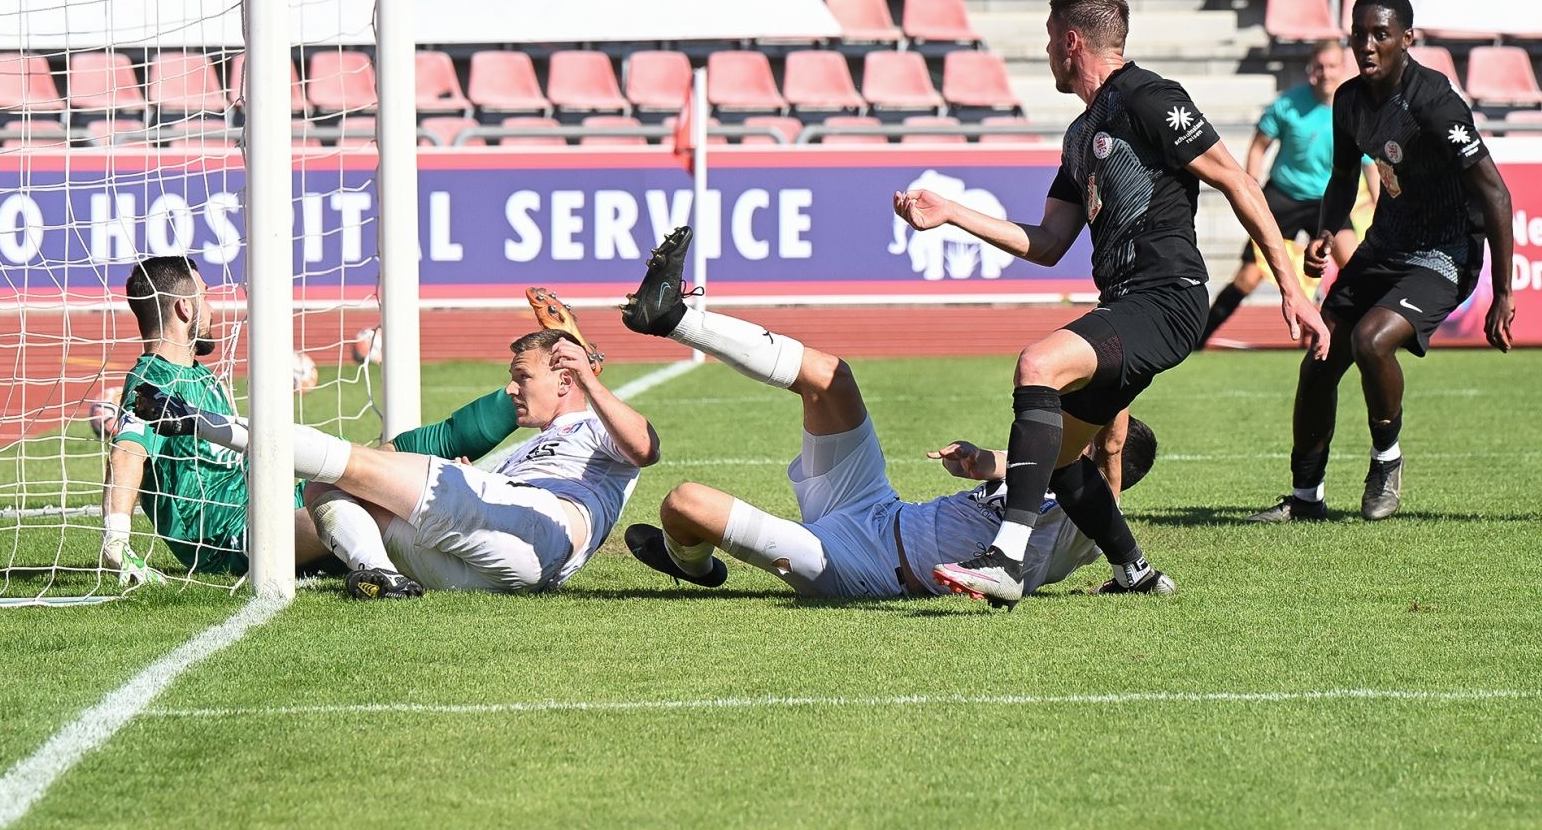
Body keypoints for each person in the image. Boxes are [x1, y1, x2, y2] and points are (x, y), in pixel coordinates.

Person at [889, 0, 1328, 604]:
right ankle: (1135, 573)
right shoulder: (1080, 136)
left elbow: (1237, 180)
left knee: (1037, 364)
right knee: (1062, 460)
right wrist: (952, 213)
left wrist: (1291, 289)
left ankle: (1006, 561)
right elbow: (1047, 242)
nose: (1046, 52)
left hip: (1168, 298)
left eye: (1050, 40)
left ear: (1072, 42)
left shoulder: (1150, 97)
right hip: (1126, 304)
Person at [616, 229, 1156, 609]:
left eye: (1084, 436)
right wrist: (979, 460)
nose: (1068, 431)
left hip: (865, 567)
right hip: (876, 506)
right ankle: (673, 316)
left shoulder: (1090, 524)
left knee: (684, 503)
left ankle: (691, 565)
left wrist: (1121, 329)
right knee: (831, 377)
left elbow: (1109, 450)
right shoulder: (1045, 476)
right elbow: (1016, 462)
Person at [103, 256, 606, 593]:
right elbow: (128, 451)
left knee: (387, 459)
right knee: (372, 490)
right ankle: (380, 574)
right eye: (207, 297)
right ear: (185, 307)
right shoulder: (152, 381)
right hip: (227, 533)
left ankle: (543, 379)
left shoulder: (196, 374)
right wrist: (116, 540)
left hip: (264, 498)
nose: (214, 307)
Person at [1251, 0, 1516, 524]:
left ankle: (1386, 461)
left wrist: (1505, 292)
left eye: (1381, 34)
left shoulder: (1435, 104)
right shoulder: (1349, 100)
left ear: (1407, 39)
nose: (1367, 45)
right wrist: (1327, 233)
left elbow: (1496, 194)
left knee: (1371, 342)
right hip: (1385, 244)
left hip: (1444, 252)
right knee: (1321, 356)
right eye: (1359, 34)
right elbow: (1342, 176)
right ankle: (1306, 498)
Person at [138, 324, 659, 595]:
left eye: (522, 377)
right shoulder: (525, 450)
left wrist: (591, 380)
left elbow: (646, 448)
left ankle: (201, 423)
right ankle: (380, 576)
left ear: (566, 380)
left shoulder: (596, 426)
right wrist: (475, 477)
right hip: (501, 572)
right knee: (327, 491)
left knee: (351, 464)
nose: (511, 388)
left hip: (546, 531)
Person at [1202, 40, 1379, 346]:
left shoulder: (1354, 110)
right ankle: (1198, 338)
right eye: (1320, 66)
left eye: (1332, 66)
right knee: (1248, 277)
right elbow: (1259, 146)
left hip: (1329, 201)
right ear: (1311, 68)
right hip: (1284, 196)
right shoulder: (1288, 104)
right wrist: (1252, 188)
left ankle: (1363, 336)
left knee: (1354, 269)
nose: (1325, 73)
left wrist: (1381, 208)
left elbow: (1370, 166)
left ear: (1343, 68)